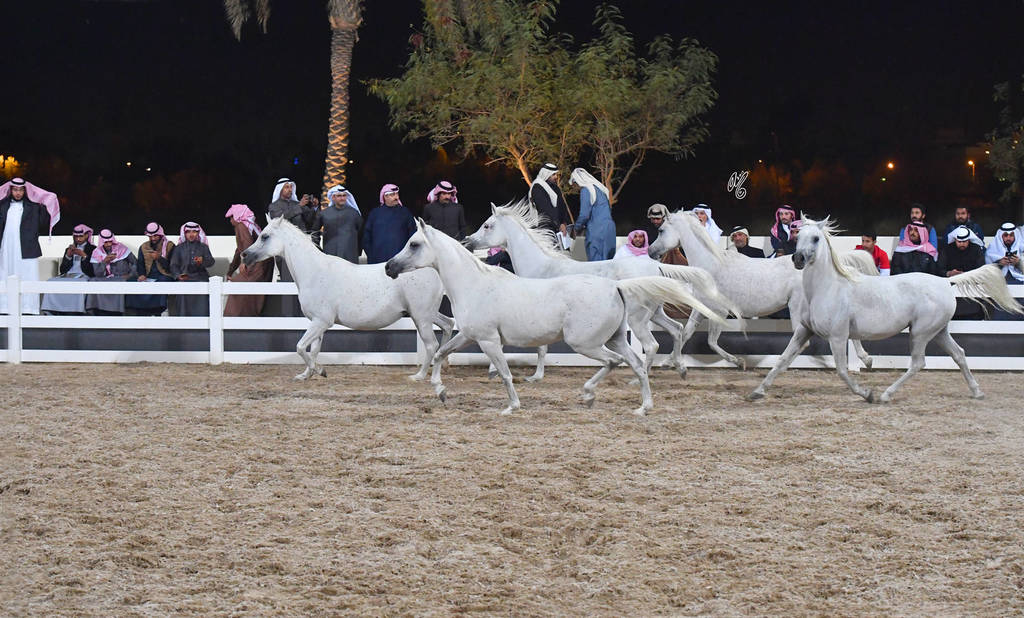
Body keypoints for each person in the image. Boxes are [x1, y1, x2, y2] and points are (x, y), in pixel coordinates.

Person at [0, 177, 60, 314]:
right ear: (10, 190)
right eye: (15, 190)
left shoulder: (33, 207)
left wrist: (45, 204)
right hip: (6, 248)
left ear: (25, 191)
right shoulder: (2, 205)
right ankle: (4, 307)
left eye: (20, 190)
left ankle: (28, 308)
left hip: (27, 248)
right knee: (5, 274)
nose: (18, 193)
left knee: (28, 275)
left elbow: (42, 224)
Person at [224, 204, 274, 317]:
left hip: (257, 264)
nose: (231, 220)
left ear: (237, 216)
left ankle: (234, 317)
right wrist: (230, 270)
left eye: (231, 217)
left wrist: (244, 263)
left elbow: (247, 245)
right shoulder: (249, 226)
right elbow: (239, 250)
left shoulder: (241, 226)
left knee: (239, 285)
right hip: (261, 262)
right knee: (251, 290)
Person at [41, 224, 96, 315]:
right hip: (69, 275)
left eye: (81, 236)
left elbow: (92, 270)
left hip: (84, 275)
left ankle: (77, 310)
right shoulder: (69, 249)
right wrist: (68, 256)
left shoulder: (93, 249)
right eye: (76, 236)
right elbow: (62, 270)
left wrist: (84, 256)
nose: (78, 239)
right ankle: (51, 309)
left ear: (87, 235)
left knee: (81, 283)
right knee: (51, 282)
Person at [126, 222, 175, 316]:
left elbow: (173, 267)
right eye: (150, 236)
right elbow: (140, 264)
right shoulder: (144, 246)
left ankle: (158, 311)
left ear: (160, 234)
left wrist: (159, 258)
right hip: (148, 276)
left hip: (165, 275)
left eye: (155, 236)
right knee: (131, 282)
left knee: (162, 282)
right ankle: (140, 312)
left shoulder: (169, 246)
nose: (153, 238)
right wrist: (141, 275)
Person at [86, 229, 137, 315]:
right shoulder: (96, 252)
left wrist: (130, 275)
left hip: (121, 277)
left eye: (110, 241)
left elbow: (135, 263)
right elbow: (97, 273)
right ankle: (98, 311)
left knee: (120, 283)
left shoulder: (122, 248)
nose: (109, 244)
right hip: (105, 278)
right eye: (106, 242)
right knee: (93, 281)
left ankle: (116, 312)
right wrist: (104, 262)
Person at [569, 168, 616, 261]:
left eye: (574, 185)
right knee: (608, 265)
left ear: (577, 181)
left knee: (596, 265)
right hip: (610, 229)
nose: (575, 188)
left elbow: (584, 215)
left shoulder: (586, 190)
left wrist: (576, 228)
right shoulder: (601, 190)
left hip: (597, 231)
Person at [363, 184, 417, 264]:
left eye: (397, 194)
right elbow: (366, 237)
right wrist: (371, 256)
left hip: (399, 261)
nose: (396, 197)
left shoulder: (405, 213)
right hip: (377, 261)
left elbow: (413, 236)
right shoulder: (375, 213)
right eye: (393, 195)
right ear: (385, 197)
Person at [170, 222, 215, 316]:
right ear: (185, 234)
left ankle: (203, 320)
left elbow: (211, 262)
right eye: (188, 232)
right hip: (184, 277)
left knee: (204, 286)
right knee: (182, 289)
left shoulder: (203, 247)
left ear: (198, 233)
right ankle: (184, 322)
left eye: (194, 232)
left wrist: (202, 261)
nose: (191, 234)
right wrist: (178, 276)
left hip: (200, 277)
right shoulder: (179, 248)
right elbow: (173, 265)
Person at [320, 185, 362, 263]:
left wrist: (357, 251)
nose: (342, 198)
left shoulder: (354, 213)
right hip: (330, 254)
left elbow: (360, 232)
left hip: (349, 255)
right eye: (339, 196)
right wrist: (318, 249)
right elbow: (315, 231)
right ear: (333, 197)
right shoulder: (324, 214)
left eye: (344, 195)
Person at [530, 163, 570, 236]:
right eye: (553, 174)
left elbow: (562, 206)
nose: (556, 177)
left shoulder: (554, 187)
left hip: (560, 228)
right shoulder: (537, 188)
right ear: (546, 174)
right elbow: (546, 210)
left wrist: (564, 222)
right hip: (546, 228)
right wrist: (558, 224)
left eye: (556, 174)